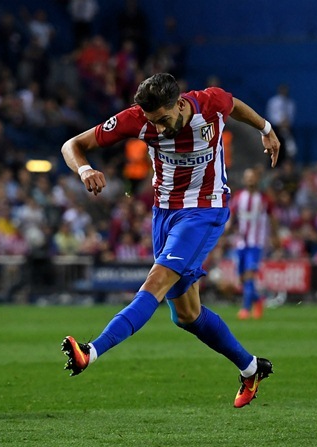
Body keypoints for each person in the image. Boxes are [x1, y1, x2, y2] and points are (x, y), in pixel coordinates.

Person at [60, 73, 279, 408]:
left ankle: (91, 351)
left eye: (163, 120)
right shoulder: (136, 120)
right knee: (187, 315)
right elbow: (71, 145)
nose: (158, 129)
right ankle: (251, 368)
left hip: (205, 211)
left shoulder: (210, 102)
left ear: (179, 104)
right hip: (164, 214)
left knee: (156, 281)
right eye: (152, 123)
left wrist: (266, 129)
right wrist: (85, 170)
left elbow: (235, 106)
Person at [229, 167, 279, 320]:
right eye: (248, 177)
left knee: (250, 274)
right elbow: (232, 215)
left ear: (257, 179)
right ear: (244, 180)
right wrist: (226, 229)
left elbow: (272, 218)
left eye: (253, 177)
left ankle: (245, 309)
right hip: (241, 243)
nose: (250, 179)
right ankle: (258, 301)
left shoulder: (264, 199)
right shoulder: (238, 197)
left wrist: (275, 237)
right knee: (243, 278)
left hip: (256, 243)